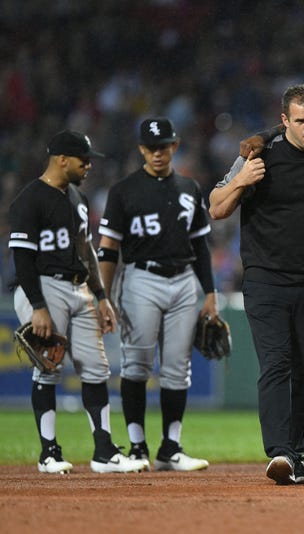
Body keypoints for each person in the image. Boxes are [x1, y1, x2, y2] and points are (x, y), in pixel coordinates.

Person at [209, 84, 304, 485]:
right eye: (299, 120)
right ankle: (280, 452)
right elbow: (216, 207)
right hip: (266, 280)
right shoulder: (257, 156)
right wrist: (241, 181)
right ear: (284, 120)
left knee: (303, 372)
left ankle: (295, 454)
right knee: (276, 364)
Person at [8, 130, 146, 474]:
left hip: (79, 289)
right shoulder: (29, 199)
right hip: (44, 285)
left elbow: (86, 252)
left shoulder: (78, 199)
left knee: (97, 369)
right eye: (83, 160)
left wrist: (101, 297)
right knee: (49, 367)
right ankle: (49, 453)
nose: (88, 166)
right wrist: (37, 306)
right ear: (62, 159)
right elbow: (22, 259)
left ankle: (104, 452)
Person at [97, 117, 216, 471]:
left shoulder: (190, 188)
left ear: (174, 146)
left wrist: (209, 292)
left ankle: (171, 447)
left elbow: (202, 246)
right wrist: (103, 296)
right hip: (140, 279)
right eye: (151, 147)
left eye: (163, 145)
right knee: (137, 364)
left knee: (178, 369)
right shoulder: (123, 191)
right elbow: (108, 249)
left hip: (183, 281)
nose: (158, 152)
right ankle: (136, 446)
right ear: (141, 150)